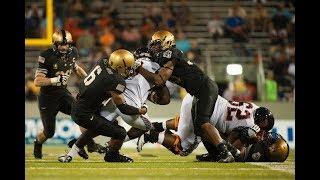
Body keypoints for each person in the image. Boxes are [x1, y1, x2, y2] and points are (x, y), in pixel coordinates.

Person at [135, 30, 235, 162]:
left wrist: (139, 68)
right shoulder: (163, 56)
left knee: (203, 123)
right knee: (199, 128)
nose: (154, 47)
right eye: (153, 44)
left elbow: (159, 80)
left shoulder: (171, 53)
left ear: (167, 43)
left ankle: (226, 153)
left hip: (205, 88)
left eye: (157, 44)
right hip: (198, 91)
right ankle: (217, 152)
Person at [58, 49, 147, 163]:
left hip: (79, 105)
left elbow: (103, 81)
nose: (129, 70)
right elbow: (123, 108)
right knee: (120, 132)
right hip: (85, 113)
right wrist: (141, 110)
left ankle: (70, 154)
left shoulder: (104, 62)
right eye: (127, 67)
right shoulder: (115, 81)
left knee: (103, 125)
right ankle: (112, 156)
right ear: (119, 66)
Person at [33, 29, 103, 159]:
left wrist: (88, 80)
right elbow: (37, 81)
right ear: (54, 44)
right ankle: (37, 143)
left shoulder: (73, 52)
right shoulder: (47, 56)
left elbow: (75, 67)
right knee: (49, 132)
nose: (64, 47)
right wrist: (55, 80)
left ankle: (86, 144)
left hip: (62, 93)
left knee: (82, 115)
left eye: (66, 44)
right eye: (61, 44)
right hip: (47, 98)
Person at [137, 94, 275, 158]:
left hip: (201, 99)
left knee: (189, 123)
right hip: (205, 111)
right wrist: (247, 139)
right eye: (263, 128)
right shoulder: (249, 124)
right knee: (183, 149)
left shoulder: (255, 107)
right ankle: (151, 135)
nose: (262, 132)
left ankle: (158, 126)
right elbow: (229, 145)